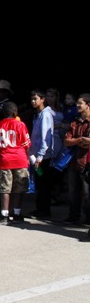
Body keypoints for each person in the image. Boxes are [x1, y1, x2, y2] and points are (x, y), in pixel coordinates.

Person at [0, 101, 31, 225]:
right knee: (19, 188)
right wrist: (28, 157)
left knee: (5, 189)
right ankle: (17, 214)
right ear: (15, 112)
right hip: (20, 159)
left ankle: (4, 215)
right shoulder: (20, 125)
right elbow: (26, 144)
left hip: (5, 160)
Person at [62, 93, 90, 226]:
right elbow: (67, 141)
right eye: (77, 103)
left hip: (87, 163)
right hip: (74, 162)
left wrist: (78, 141)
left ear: (88, 105)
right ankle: (73, 216)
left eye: (80, 103)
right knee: (73, 192)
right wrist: (80, 140)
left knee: (87, 193)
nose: (77, 105)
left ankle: (88, 219)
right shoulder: (74, 122)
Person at [28, 89, 55, 219]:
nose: (33, 102)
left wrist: (40, 156)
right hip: (37, 155)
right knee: (40, 183)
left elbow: (46, 137)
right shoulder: (38, 114)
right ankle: (40, 209)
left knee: (44, 184)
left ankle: (44, 211)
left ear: (42, 99)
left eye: (36, 99)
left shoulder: (46, 115)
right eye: (32, 99)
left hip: (43, 157)